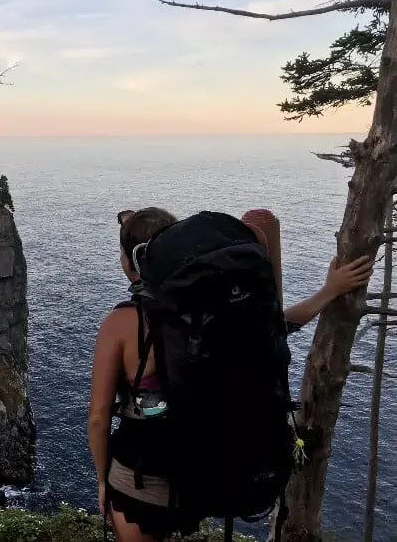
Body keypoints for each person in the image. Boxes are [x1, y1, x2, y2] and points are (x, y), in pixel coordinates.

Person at [88, 207, 374, 542]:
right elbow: (278, 326)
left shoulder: (122, 323)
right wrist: (330, 290)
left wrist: (102, 481)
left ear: (131, 263)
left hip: (140, 481)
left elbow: (98, 417)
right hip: (198, 476)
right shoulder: (214, 314)